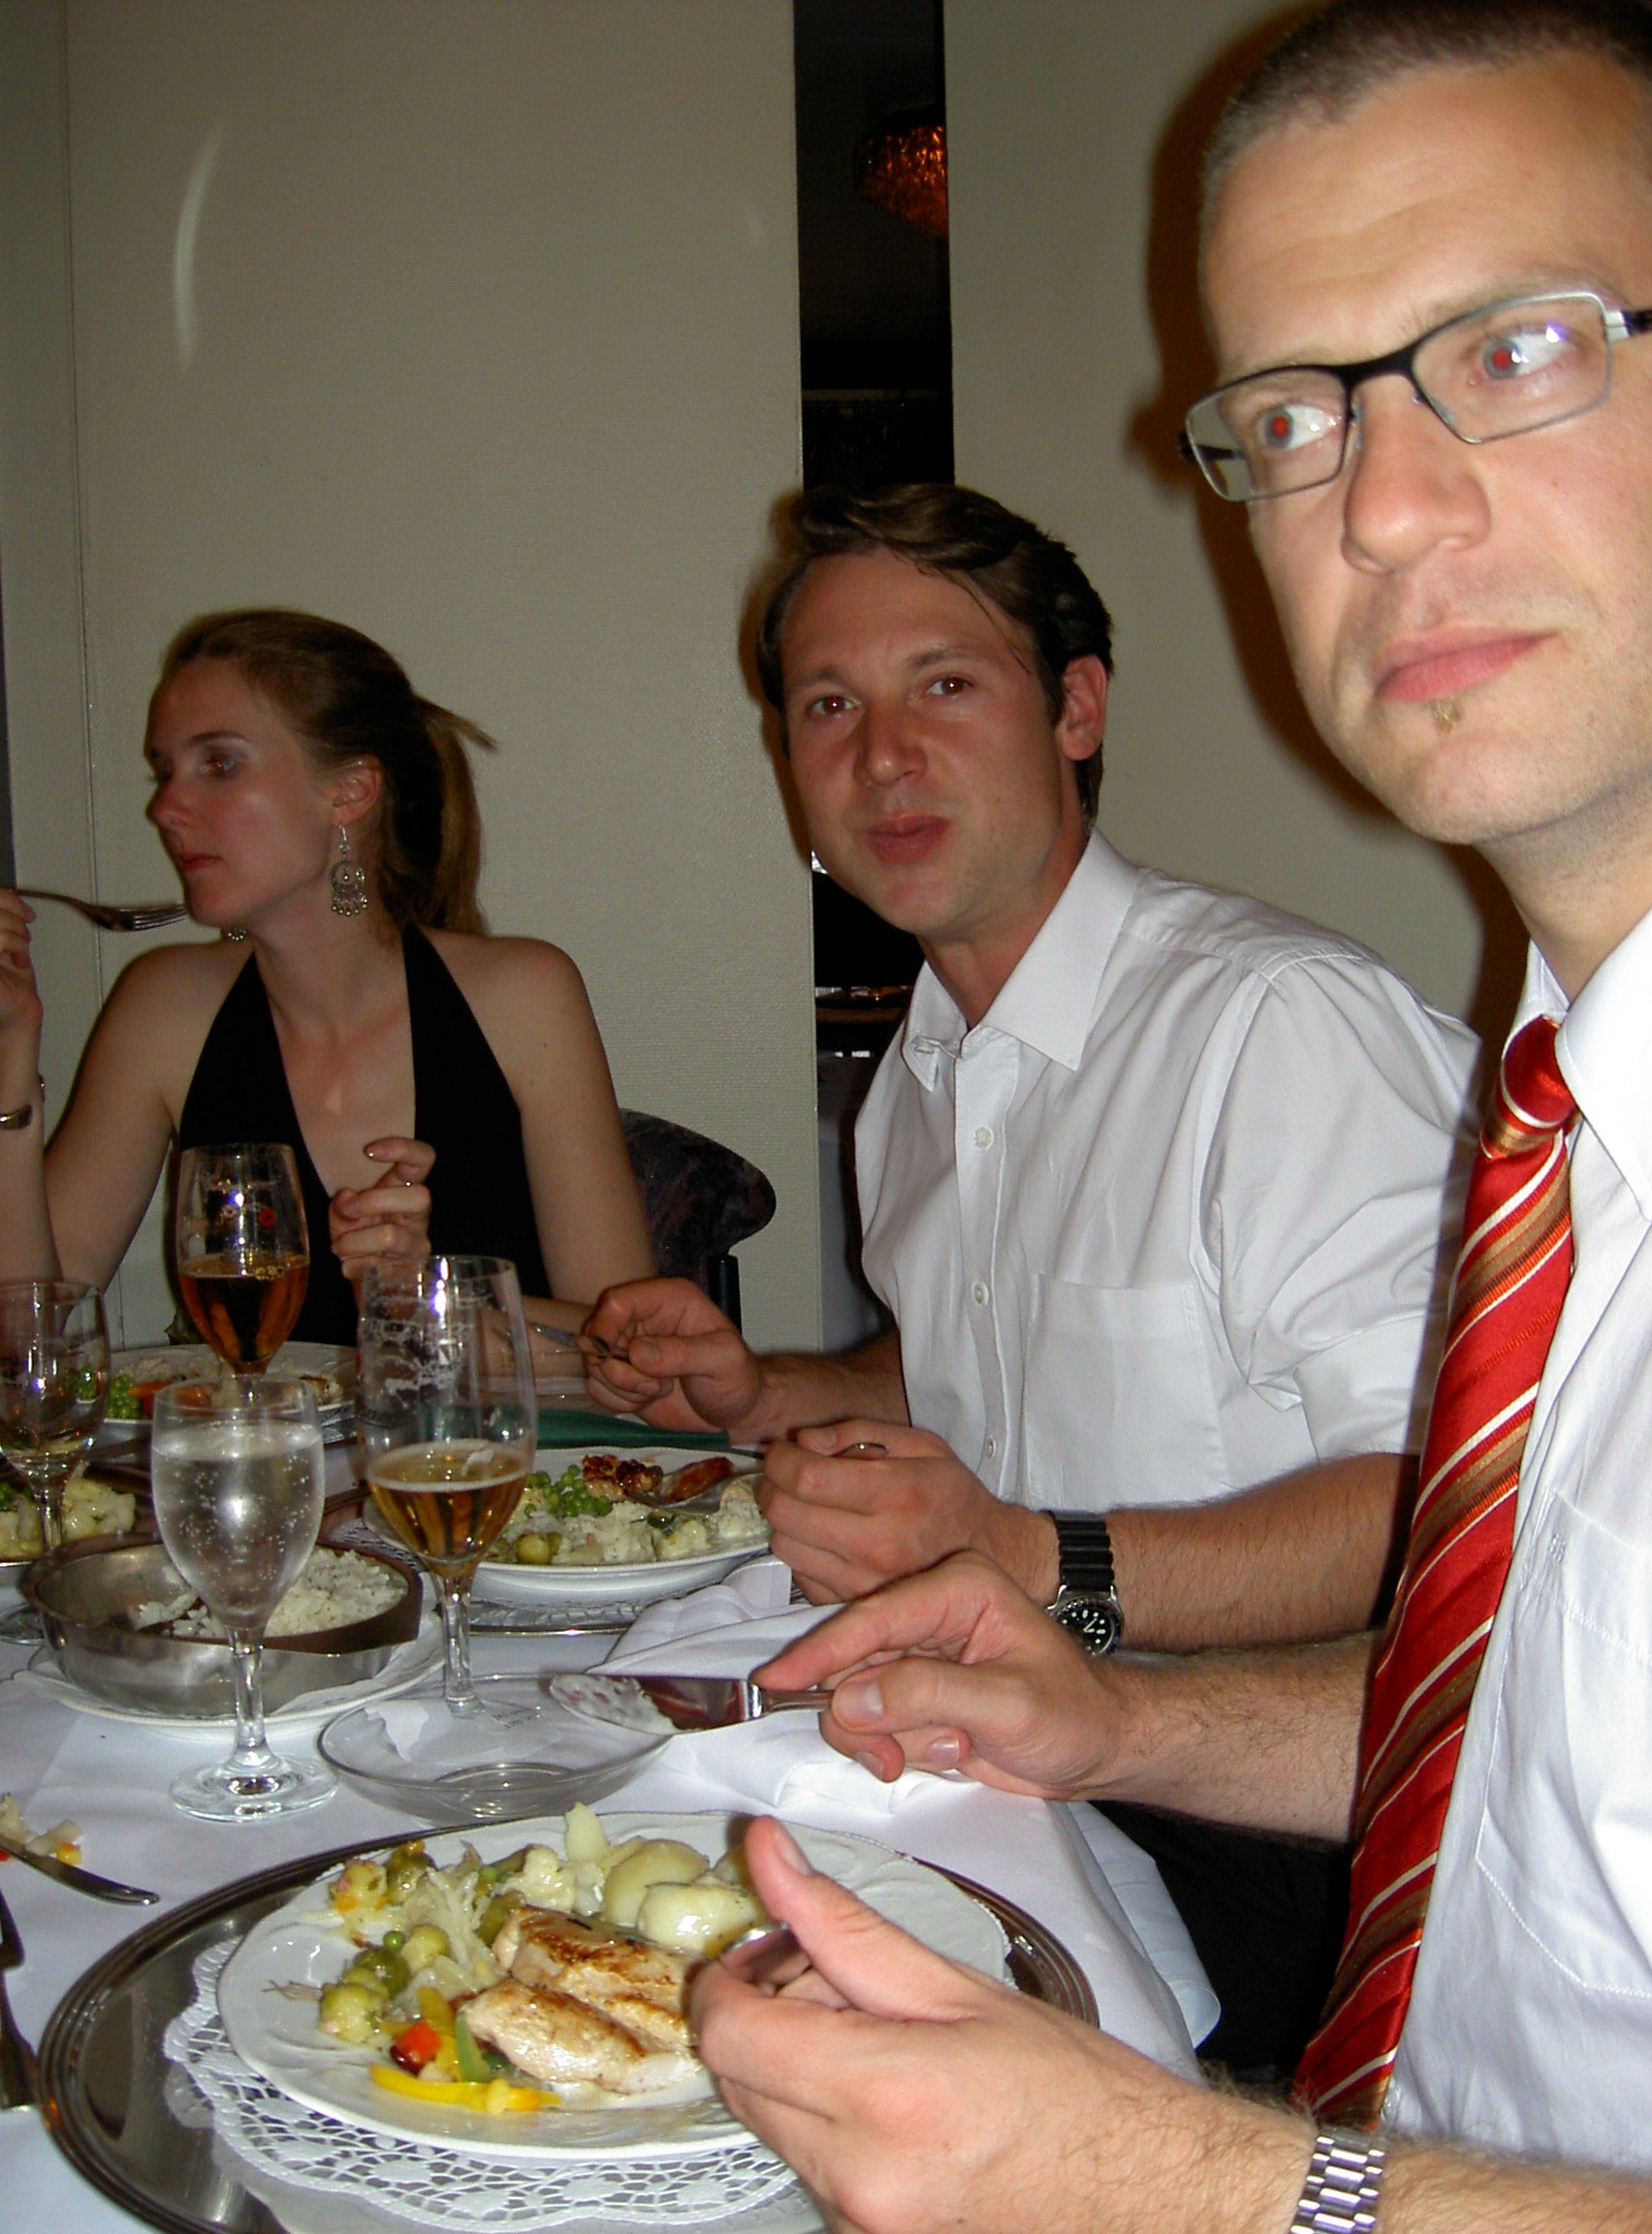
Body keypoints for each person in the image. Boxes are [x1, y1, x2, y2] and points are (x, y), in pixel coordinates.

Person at [689, 2, 1652, 2224]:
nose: (1383, 502)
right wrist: (1090, 1702)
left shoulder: (1280, 1032)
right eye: (1296, 417)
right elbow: (1511, 1706)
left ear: (1079, 711)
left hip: (1254, 1954)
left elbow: (1392, 1516)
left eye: (1516, 347)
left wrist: (1189, 2179)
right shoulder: (1567, 1118)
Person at [589, 485, 1480, 2073]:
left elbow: (1455, 1506)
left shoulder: (1274, 1028)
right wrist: (763, 1389)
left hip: (1311, 1853)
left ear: (1075, 710)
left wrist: (1033, 1557)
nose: (881, 755)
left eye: (943, 683)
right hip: (1030, 1776)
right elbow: (970, 1354)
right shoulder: (913, 1081)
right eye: (827, 705)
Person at [0, 608, 652, 1339]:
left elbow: (632, 1347)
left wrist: (437, 1299)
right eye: (165, 770)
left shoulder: (523, 997)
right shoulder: (162, 1007)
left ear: (349, 790)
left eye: (219, 764)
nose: (165, 808)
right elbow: (24, 1333)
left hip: (486, 1424)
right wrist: (8, 1056)